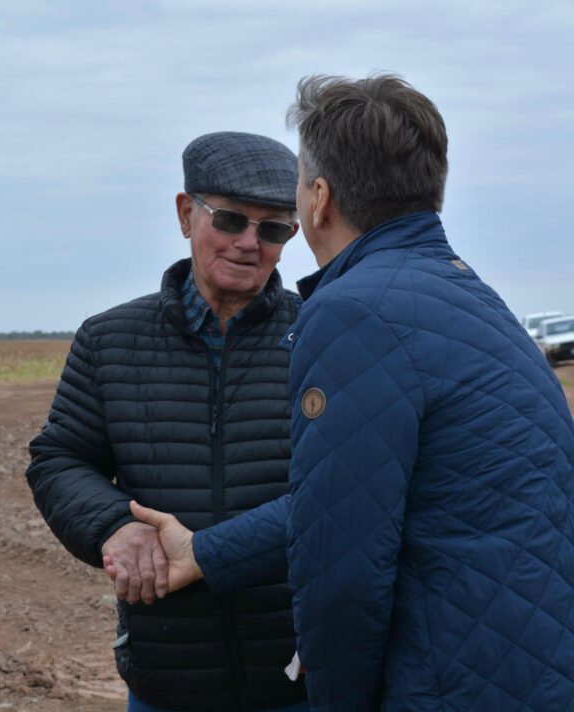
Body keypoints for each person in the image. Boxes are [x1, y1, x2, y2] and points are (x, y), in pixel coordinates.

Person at [117, 74, 574, 711]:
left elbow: (344, 568)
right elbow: (361, 498)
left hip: (449, 682)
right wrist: (207, 552)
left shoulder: (353, 312)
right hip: (525, 664)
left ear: (319, 199)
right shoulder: (468, 296)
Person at [26, 132, 309, 711]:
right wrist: (113, 525)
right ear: (186, 215)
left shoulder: (322, 336)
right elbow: (59, 458)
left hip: (304, 674)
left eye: (273, 229)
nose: (249, 243)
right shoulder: (109, 340)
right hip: (167, 671)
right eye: (230, 220)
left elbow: (345, 491)